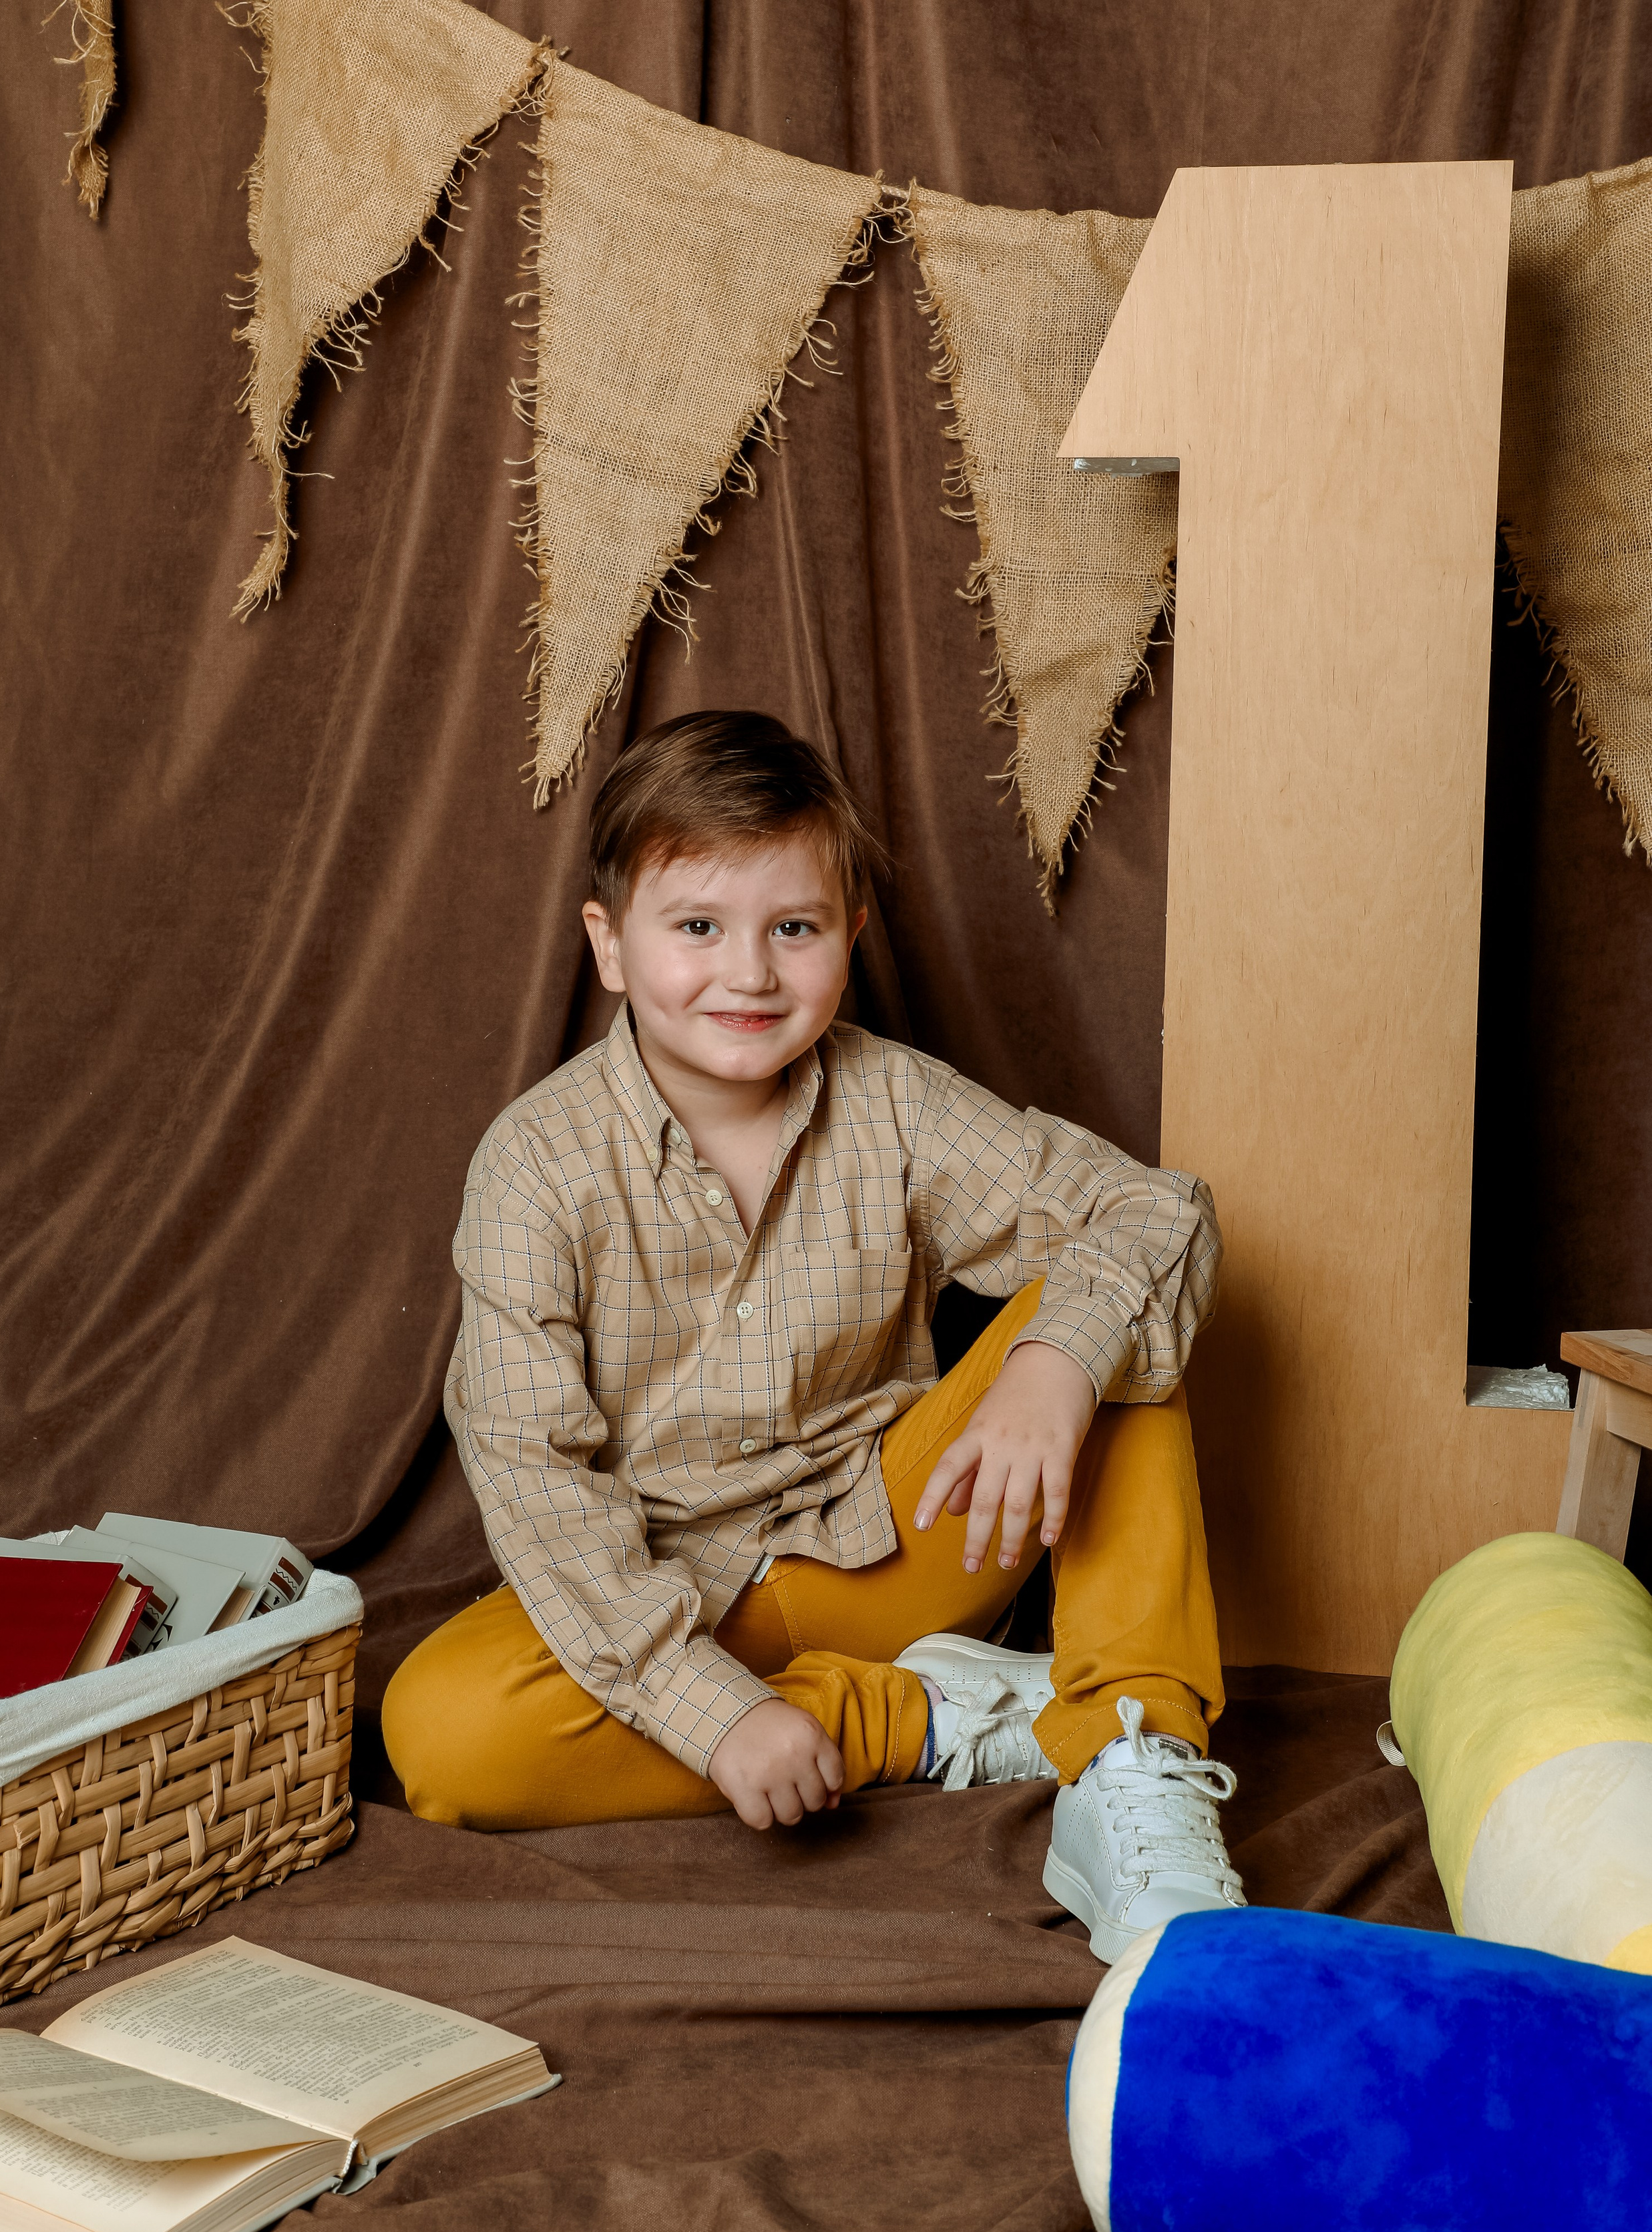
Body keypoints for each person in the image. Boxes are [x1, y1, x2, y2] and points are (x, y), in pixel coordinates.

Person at [383, 711, 1243, 1960]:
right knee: (445, 1734)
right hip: (676, 1589)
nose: (750, 974)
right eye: (697, 928)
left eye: (794, 927)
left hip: (902, 1537)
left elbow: (1155, 1212)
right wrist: (717, 1715)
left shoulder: (890, 1100)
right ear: (609, 944)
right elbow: (537, 1485)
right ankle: (936, 1724)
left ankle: (1133, 1752)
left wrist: (1055, 1363)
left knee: (1120, 1327)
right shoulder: (534, 1166)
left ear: (848, 936)